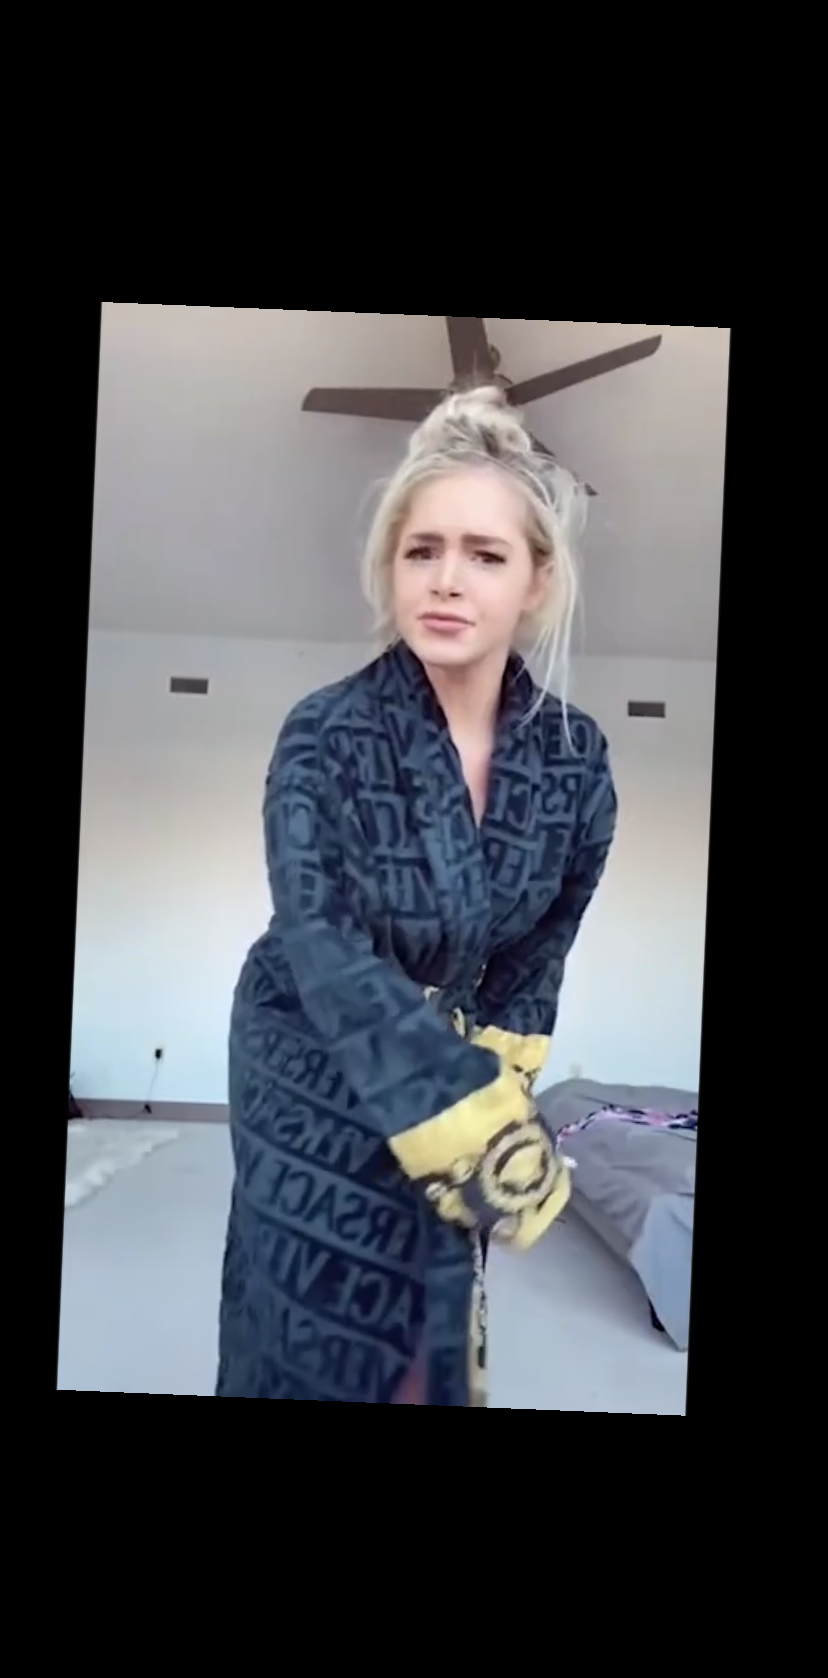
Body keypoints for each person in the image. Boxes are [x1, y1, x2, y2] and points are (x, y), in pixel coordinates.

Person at [216, 385, 617, 1404]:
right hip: (307, 1043)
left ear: (535, 580)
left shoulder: (575, 760)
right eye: (422, 550)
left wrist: (500, 1085)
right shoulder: (325, 731)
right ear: (389, 567)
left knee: (432, 1318)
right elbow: (320, 936)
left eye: (485, 555)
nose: (446, 580)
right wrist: (469, 1123)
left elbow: (541, 948)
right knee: (316, 1317)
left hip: (460, 1060)